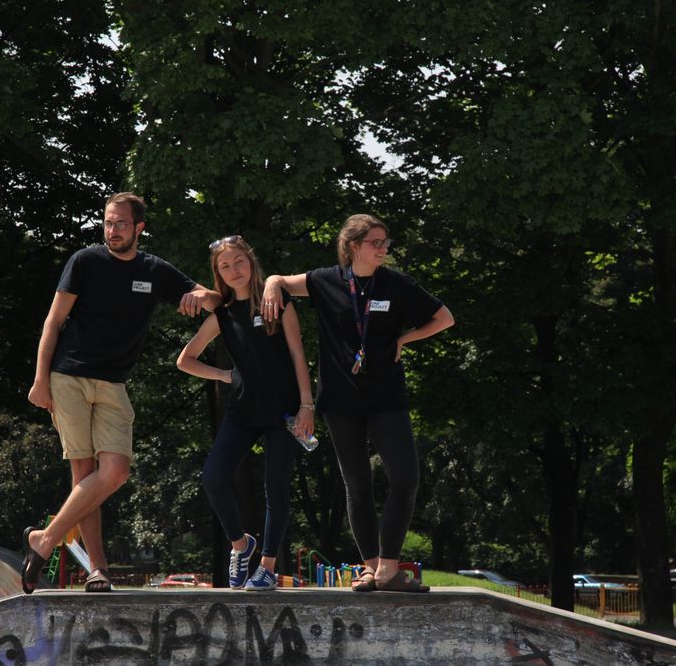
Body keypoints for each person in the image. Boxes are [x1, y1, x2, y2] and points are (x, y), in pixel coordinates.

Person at [23, 192, 220, 594]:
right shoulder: (85, 261)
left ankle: (45, 538)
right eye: (108, 223)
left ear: (139, 228)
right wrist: (40, 379)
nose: (112, 231)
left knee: (114, 472)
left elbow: (215, 300)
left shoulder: (153, 270)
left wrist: (203, 295)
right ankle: (98, 570)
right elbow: (53, 321)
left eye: (121, 224)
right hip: (68, 375)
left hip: (114, 383)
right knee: (84, 475)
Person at [262, 214, 454, 593]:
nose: (383, 249)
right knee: (357, 483)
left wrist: (404, 339)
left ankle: (389, 568)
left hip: (387, 398)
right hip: (340, 399)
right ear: (354, 246)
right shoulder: (326, 280)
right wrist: (270, 284)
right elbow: (280, 280)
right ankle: (370, 568)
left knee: (405, 479)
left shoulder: (396, 283)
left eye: (385, 242)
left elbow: (444, 318)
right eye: (375, 243)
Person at [176, 235, 314, 590]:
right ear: (218, 274)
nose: (233, 270)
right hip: (243, 409)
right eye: (225, 266)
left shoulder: (276, 301)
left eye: (239, 261)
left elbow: (298, 354)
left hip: (284, 411)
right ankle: (241, 545)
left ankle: (267, 567)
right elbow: (185, 360)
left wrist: (307, 406)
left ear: (251, 262)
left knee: (275, 487)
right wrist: (225, 375)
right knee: (213, 477)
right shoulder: (221, 314)